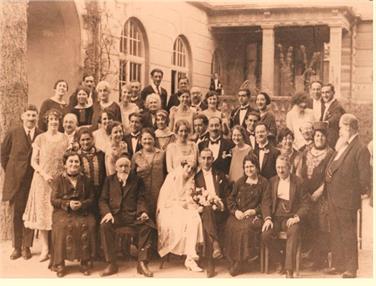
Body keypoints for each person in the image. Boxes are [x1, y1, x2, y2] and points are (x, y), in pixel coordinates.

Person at [324, 114, 370, 278]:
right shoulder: (343, 145)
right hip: (334, 198)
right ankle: (338, 264)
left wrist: (349, 191)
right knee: (336, 232)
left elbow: (364, 179)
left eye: (341, 128)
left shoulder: (360, 148)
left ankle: (351, 268)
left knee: (348, 233)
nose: (340, 131)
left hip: (347, 200)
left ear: (350, 128)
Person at [23, 109, 69, 262]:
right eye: (51, 120)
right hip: (42, 181)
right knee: (43, 214)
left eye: (56, 119)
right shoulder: (40, 138)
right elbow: (33, 162)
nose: (54, 122)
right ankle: (45, 249)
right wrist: (44, 174)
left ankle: (57, 249)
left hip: (60, 181)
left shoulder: (65, 138)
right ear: (47, 121)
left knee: (57, 215)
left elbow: (68, 159)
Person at [99, 155, 155, 277]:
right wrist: (108, 213)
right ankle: (112, 263)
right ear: (115, 167)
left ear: (130, 167)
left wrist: (143, 212)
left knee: (147, 225)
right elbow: (102, 200)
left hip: (133, 216)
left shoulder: (137, 180)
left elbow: (141, 199)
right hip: (115, 216)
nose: (123, 169)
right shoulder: (109, 180)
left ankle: (142, 263)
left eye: (126, 166)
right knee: (105, 226)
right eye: (121, 166)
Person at [1, 104, 41, 260]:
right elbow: (3, 154)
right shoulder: (13, 133)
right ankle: (16, 247)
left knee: (30, 213)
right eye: (28, 115)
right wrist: (11, 171)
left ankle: (26, 247)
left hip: (33, 180)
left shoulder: (40, 134)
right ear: (22, 116)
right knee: (17, 213)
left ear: (37, 117)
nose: (31, 118)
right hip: (16, 180)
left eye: (33, 115)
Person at [261, 155, 310, 278]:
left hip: (291, 217)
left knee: (293, 232)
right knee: (265, 234)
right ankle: (280, 260)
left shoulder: (298, 182)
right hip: (276, 217)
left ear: (289, 168)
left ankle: (289, 269)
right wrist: (267, 218)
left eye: (283, 167)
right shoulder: (272, 181)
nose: (280, 171)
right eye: (278, 167)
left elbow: (306, 204)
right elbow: (265, 202)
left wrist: (297, 217)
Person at [50, 150, 96, 277]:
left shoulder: (86, 179)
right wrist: (67, 204)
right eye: (71, 161)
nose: (74, 164)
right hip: (63, 211)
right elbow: (53, 200)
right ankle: (60, 263)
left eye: (77, 161)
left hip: (82, 210)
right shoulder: (58, 179)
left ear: (80, 165)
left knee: (89, 224)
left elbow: (92, 198)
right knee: (62, 227)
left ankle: (85, 261)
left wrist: (82, 204)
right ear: (65, 164)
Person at [295, 121, 334, 270]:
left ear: (326, 137)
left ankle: (320, 259)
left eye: (322, 136)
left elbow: (329, 177)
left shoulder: (331, 154)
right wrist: (303, 192)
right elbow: (299, 173)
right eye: (317, 135)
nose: (319, 138)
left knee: (321, 222)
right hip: (305, 196)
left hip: (322, 197)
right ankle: (306, 255)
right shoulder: (306, 152)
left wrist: (318, 193)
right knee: (304, 219)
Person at [224, 154, 269, 276]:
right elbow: (231, 199)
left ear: (257, 167)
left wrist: (254, 211)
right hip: (240, 214)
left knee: (245, 228)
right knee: (230, 224)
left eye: (251, 166)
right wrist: (236, 211)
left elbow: (266, 202)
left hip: (255, 216)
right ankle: (232, 260)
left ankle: (240, 262)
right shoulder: (240, 181)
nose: (249, 169)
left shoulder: (263, 182)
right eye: (246, 167)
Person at [157, 160, 204, 272]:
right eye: (188, 167)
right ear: (182, 166)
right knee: (191, 218)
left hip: (183, 209)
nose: (190, 170)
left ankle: (190, 257)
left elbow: (188, 199)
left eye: (192, 168)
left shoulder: (190, 180)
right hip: (168, 211)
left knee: (195, 218)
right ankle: (191, 257)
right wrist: (180, 204)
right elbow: (164, 201)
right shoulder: (172, 177)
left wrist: (195, 207)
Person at [194, 148, 230, 277]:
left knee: (210, 218)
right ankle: (213, 254)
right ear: (199, 160)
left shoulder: (220, 175)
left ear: (213, 159)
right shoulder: (195, 178)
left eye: (209, 158)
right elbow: (194, 198)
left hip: (220, 211)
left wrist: (222, 205)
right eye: (203, 158)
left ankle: (215, 251)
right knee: (208, 212)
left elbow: (227, 195)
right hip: (204, 211)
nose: (206, 161)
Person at [132, 128, 166, 219]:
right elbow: (132, 176)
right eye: (145, 139)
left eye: (150, 138)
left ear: (154, 140)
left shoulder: (162, 154)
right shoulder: (136, 156)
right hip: (142, 194)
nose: (147, 141)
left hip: (159, 192)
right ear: (140, 141)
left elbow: (166, 173)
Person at [76, 127, 106, 218]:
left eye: (88, 139)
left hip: (100, 192)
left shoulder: (101, 154)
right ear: (79, 141)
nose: (85, 142)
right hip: (84, 194)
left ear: (92, 139)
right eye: (83, 140)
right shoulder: (76, 156)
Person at [320, 83, 345, 148]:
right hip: (326, 138)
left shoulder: (337, 106)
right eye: (323, 93)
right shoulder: (325, 105)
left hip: (334, 139)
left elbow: (336, 117)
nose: (325, 95)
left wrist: (327, 122)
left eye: (327, 92)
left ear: (333, 93)